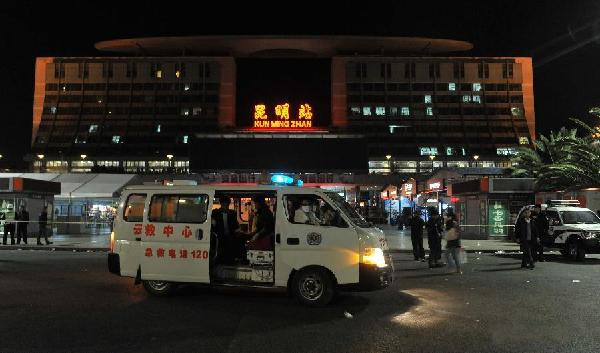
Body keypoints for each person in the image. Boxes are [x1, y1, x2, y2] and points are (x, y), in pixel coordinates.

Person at [211, 196, 240, 263]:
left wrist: (238, 231)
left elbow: (235, 225)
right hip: (218, 234)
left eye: (227, 204)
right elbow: (212, 224)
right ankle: (219, 260)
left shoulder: (232, 213)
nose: (225, 206)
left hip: (230, 234)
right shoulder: (215, 212)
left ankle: (231, 260)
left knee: (233, 242)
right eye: (224, 204)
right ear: (221, 204)